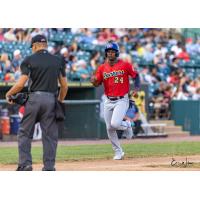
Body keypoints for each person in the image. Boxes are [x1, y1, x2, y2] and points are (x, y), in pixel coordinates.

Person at [5, 34, 68, 171]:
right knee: (50, 136)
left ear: (34, 46)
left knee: (25, 133)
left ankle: (26, 164)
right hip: (51, 99)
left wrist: (9, 93)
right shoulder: (58, 60)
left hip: (34, 99)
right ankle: (49, 167)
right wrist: (59, 101)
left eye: (32, 47)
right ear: (45, 45)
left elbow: (21, 83)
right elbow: (64, 86)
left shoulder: (29, 59)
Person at [90, 40, 140, 160]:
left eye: (112, 51)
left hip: (122, 99)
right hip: (108, 100)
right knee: (109, 128)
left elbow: (136, 75)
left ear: (117, 53)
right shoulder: (102, 68)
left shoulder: (125, 65)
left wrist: (136, 89)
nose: (110, 54)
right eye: (108, 52)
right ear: (106, 53)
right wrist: (94, 81)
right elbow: (97, 83)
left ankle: (127, 124)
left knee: (115, 124)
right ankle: (118, 152)